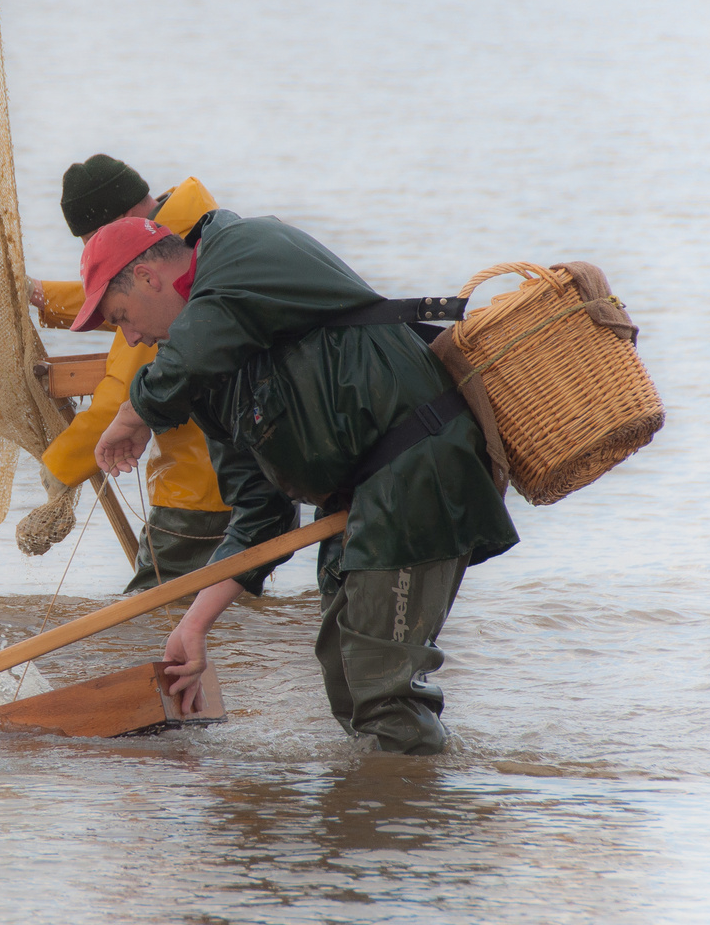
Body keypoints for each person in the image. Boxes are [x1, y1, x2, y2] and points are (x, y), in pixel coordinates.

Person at [79, 210, 519, 755]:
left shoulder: (245, 247)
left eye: (122, 317)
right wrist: (194, 627)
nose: (133, 338)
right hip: (357, 502)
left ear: (147, 276)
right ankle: (385, 812)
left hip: (417, 469)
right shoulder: (210, 374)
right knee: (344, 675)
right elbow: (262, 518)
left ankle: (419, 820)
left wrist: (134, 411)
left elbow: (194, 345)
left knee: (384, 693)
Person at [23, 154, 233, 592]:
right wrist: (42, 297)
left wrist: (59, 470)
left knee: (152, 616)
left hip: (200, 491)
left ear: (123, 220)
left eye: (92, 240)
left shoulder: (159, 270)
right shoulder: (191, 234)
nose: (91, 255)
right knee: (224, 615)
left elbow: (125, 393)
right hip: (242, 479)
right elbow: (125, 302)